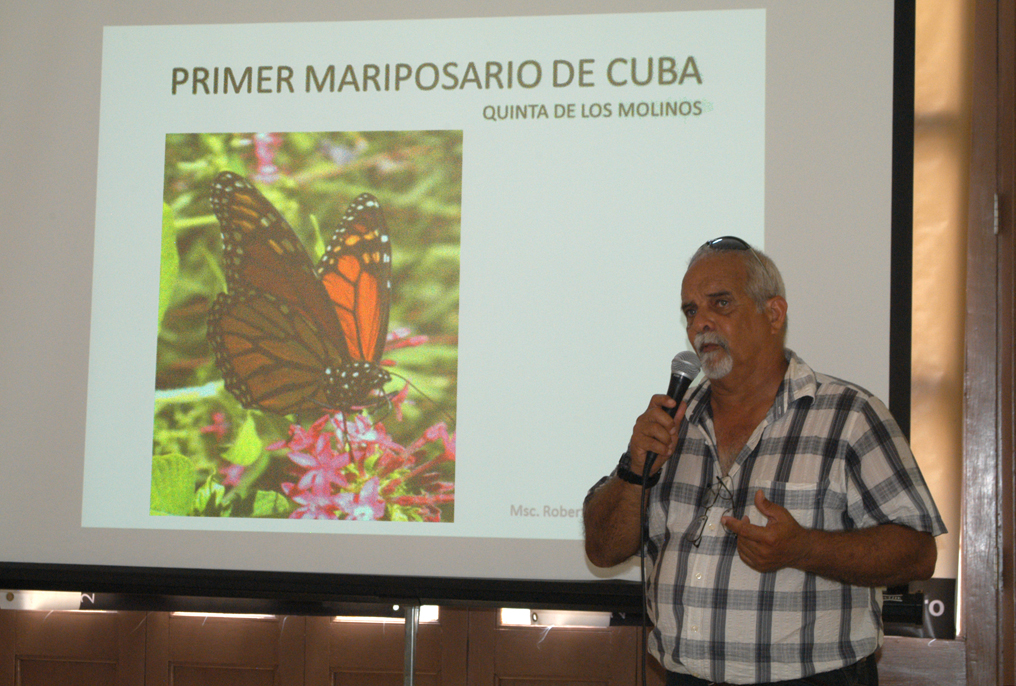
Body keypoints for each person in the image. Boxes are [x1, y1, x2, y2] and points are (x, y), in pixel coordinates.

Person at [583, 236, 946, 686]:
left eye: (721, 303)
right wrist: (634, 470)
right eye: (691, 311)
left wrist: (803, 549)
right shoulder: (669, 424)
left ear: (773, 314)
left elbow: (917, 552)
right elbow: (602, 549)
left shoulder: (848, 415)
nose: (701, 324)